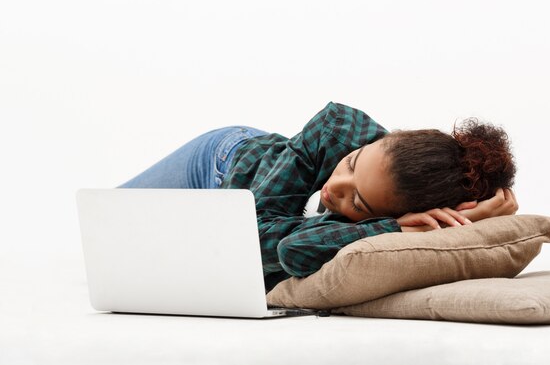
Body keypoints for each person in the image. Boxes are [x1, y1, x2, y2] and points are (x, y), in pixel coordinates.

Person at [118, 102, 518, 292]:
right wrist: (374, 216)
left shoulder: (388, 219)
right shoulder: (338, 129)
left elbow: (292, 248)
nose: (335, 188)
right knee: (110, 226)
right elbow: (250, 239)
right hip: (218, 163)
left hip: (242, 208)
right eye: (351, 164)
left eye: (356, 203)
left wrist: (390, 227)